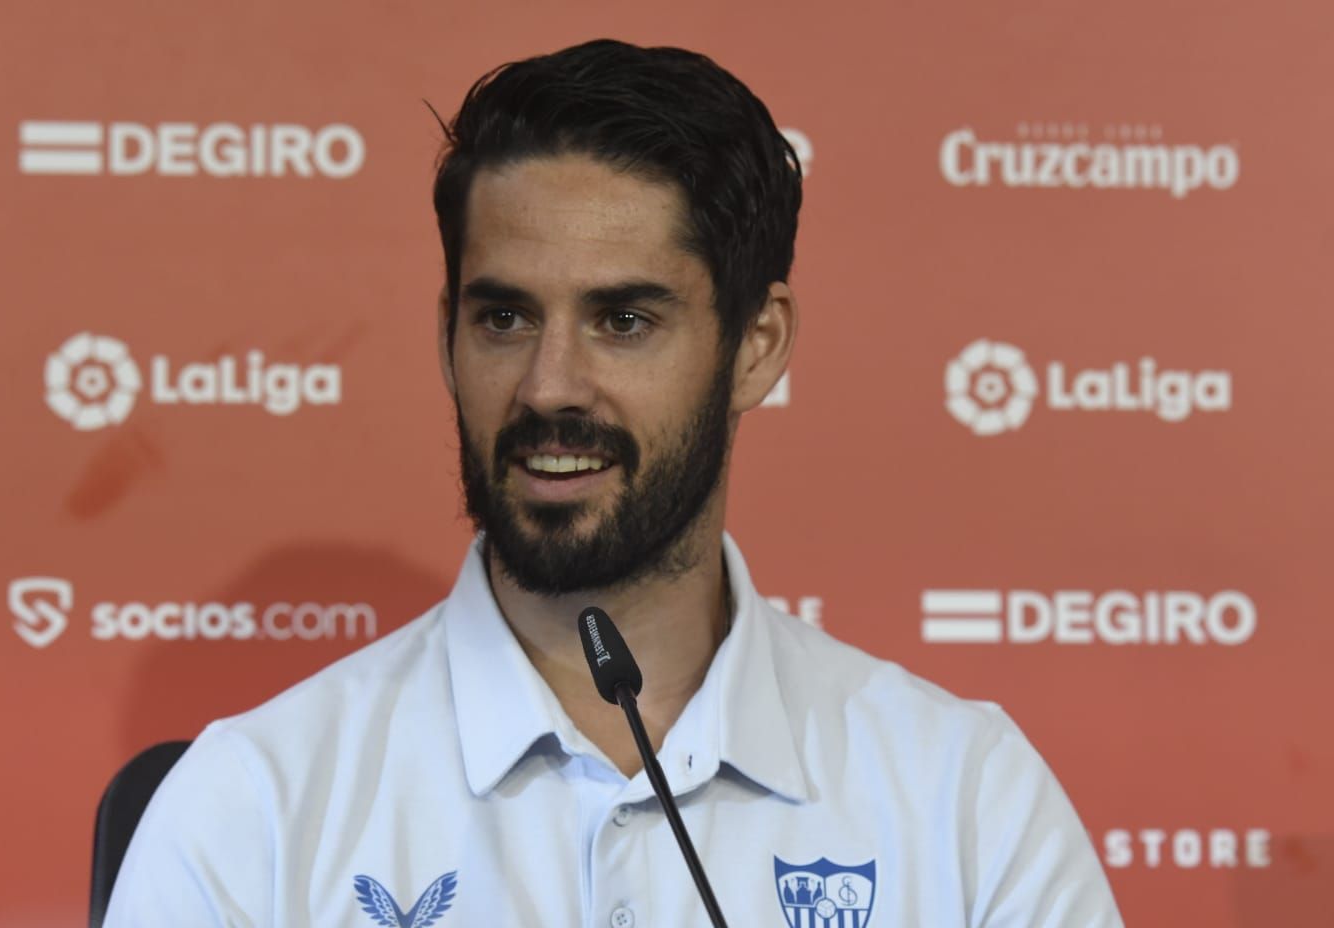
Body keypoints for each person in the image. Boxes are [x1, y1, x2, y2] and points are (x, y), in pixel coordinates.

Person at [105, 39, 1123, 927]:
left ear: (758, 347)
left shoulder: (964, 798)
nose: (549, 385)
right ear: (447, 336)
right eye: (503, 318)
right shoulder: (256, 806)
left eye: (623, 321)